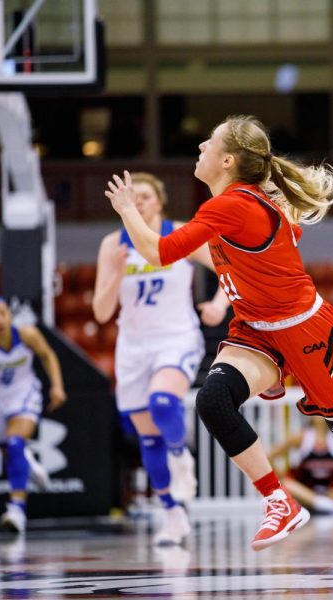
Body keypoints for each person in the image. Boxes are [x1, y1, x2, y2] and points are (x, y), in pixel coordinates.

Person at [104, 115, 333, 576]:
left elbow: (158, 253)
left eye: (208, 142)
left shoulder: (231, 206)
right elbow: (276, 239)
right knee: (214, 401)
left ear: (228, 160)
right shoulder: (240, 200)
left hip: (305, 329)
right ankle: (279, 501)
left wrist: (127, 211)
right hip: (256, 329)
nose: (199, 145)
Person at [93, 171, 228, 546]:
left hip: (176, 337)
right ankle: (172, 513)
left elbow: (227, 269)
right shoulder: (113, 244)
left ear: (161, 201)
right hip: (133, 345)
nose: (139, 203)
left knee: (162, 401)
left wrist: (218, 305)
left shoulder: (180, 232)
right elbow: (101, 312)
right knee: (146, 438)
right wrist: (116, 274)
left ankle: (181, 455)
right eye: (132, 197)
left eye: (146, 197)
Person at [0, 296, 67, 533]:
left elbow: (48, 355)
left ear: (10, 316)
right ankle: (28, 462)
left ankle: (16, 509)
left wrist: (57, 385)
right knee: (10, 453)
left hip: (24, 395)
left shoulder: (27, 335)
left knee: (14, 443)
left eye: (2, 313)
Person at [267, 416, 333, 514]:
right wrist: (282, 476)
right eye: (316, 409)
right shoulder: (301, 437)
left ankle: (322, 505)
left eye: (323, 409)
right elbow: (270, 457)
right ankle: (329, 506)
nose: (320, 415)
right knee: (287, 484)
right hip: (308, 491)